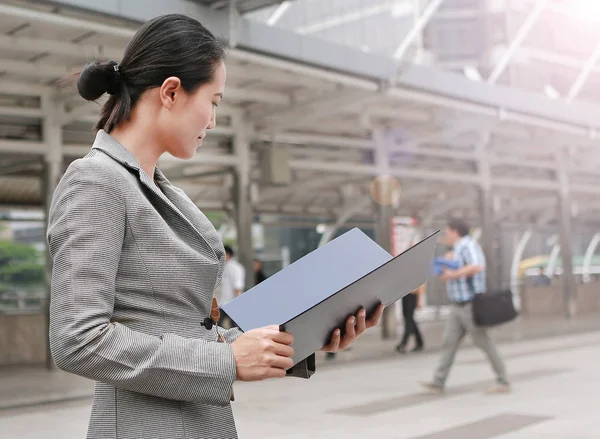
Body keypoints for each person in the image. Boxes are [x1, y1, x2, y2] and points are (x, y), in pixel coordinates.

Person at [46, 14, 384, 439]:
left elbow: (189, 329)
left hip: (199, 422)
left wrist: (306, 334)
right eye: (215, 101)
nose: (214, 120)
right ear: (171, 91)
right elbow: (77, 340)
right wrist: (226, 362)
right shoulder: (95, 181)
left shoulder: (164, 192)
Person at [420, 219, 510, 394]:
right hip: (457, 306)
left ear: (455, 232)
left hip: (469, 305)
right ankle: (438, 382)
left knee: (483, 342)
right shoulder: (458, 249)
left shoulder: (467, 245)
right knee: (449, 342)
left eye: (447, 233)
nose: (446, 237)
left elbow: (477, 266)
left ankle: (503, 380)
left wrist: (454, 274)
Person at [395, 284, 425, 353]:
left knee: (409, 320)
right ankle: (420, 342)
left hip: (413, 294)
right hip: (405, 294)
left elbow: (422, 283)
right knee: (408, 318)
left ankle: (403, 343)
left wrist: (420, 299)